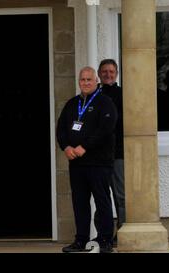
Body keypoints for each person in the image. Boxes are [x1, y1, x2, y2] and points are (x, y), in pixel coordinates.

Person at [56, 67, 117, 253]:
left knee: (102, 201)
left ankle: (105, 240)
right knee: (79, 203)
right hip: (77, 164)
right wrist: (66, 147)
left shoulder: (105, 102)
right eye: (82, 79)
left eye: (89, 79)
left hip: (99, 163)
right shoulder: (72, 103)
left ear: (96, 80)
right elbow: (61, 129)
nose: (85, 82)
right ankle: (80, 240)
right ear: (79, 81)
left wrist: (85, 146)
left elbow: (105, 129)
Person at [96, 59, 125, 246]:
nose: (108, 74)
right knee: (100, 196)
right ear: (99, 73)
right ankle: (103, 236)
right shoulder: (92, 94)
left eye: (111, 71)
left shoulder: (123, 94)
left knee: (120, 197)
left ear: (116, 74)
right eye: (104, 71)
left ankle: (121, 235)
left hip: (117, 154)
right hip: (96, 155)